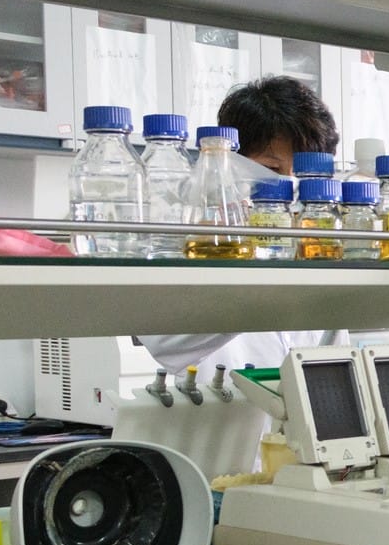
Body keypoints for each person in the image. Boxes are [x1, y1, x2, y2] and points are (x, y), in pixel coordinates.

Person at [137, 75, 348, 373]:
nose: (288, 186)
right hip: (210, 412)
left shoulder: (316, 237)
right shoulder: (187, 224)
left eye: (303, 174)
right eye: (271, 168)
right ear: (229, 159)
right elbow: (164, 341)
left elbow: (334, 358)